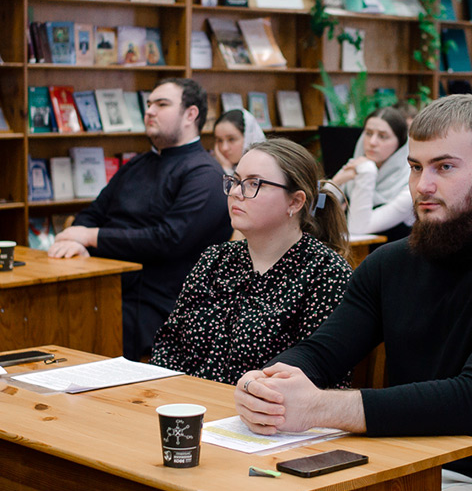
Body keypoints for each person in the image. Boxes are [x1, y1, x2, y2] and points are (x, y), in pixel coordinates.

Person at [235, 94, 472, 491]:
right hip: (397, 461)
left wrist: (317, 407)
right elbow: (323, 351)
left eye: (444, 167)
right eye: (415, 167)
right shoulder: (391, 262)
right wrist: (268, 384)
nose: (422, 185)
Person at [49, 78, 232, 358]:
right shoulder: (137, 164)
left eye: (162, 104)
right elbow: (93, 213)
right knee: (46, 309)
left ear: (190, 115)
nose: (149, 111)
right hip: (105, 282)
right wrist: (78, 242)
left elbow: (168, 239)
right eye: (148, 104)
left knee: (68, 324)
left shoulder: (205, 175)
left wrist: (90, 237)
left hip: (161, 302)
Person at [150, 139, 351, 384]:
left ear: (295, 202)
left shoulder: (325, 273)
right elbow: (169, 344)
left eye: (253, 184)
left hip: (269, 415)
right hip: (192, 406)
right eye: (234, 181)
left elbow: (320, 376)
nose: (235, 192)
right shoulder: (214, 259)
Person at [331, 107, 413, 240]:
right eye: (368, 133)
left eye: (382, 136)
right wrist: (335, 182)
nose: (372, 142)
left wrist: (368, 172)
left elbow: (358, 228)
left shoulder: (408, 185)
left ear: (400, 144)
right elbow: (316, 217)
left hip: (391, 258)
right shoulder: (357, 166)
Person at [212, 108, 266, 175]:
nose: (224, 148)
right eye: (219, 140)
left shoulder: (264, 170)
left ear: (248, 138)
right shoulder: (211, 168)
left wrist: (227, 171)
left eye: (231, 139)